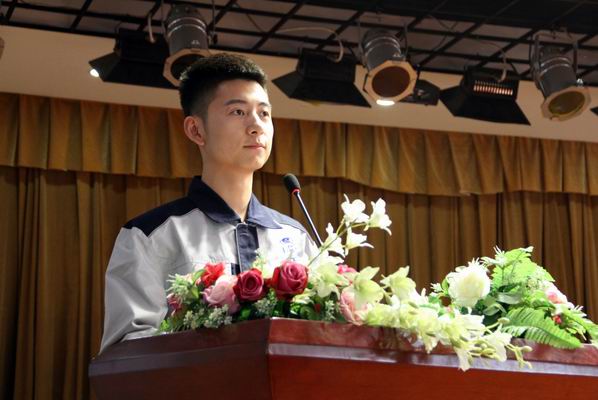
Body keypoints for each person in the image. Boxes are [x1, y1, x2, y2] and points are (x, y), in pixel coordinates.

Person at [100, 53, 317, 352]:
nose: (256, 126)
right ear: (196, 130)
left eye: (264, 113)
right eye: (238, 112)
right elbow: (127, 352)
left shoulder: (295, 237)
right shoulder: (149, 236)